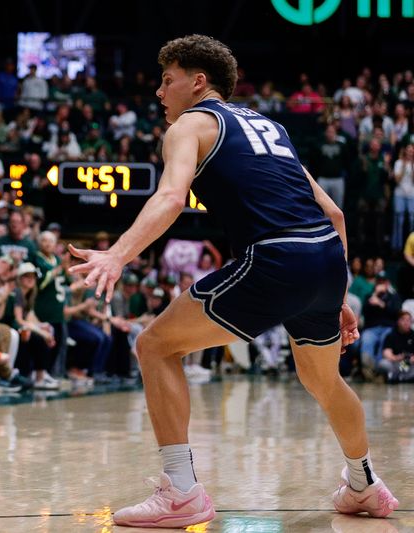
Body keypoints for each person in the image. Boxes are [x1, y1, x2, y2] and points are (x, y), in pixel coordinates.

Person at [68, 35, 399, 528]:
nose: (160, 93)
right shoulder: (271, 126)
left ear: (198, 82)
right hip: (324, 258)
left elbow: (171, 197)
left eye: (167, 80)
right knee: (322, 379)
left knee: (155, 346)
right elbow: (333, 212)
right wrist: (339, 295)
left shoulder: (190, 125)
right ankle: (364, 484)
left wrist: (118, 255)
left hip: (275, 256)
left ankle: (180, 491)